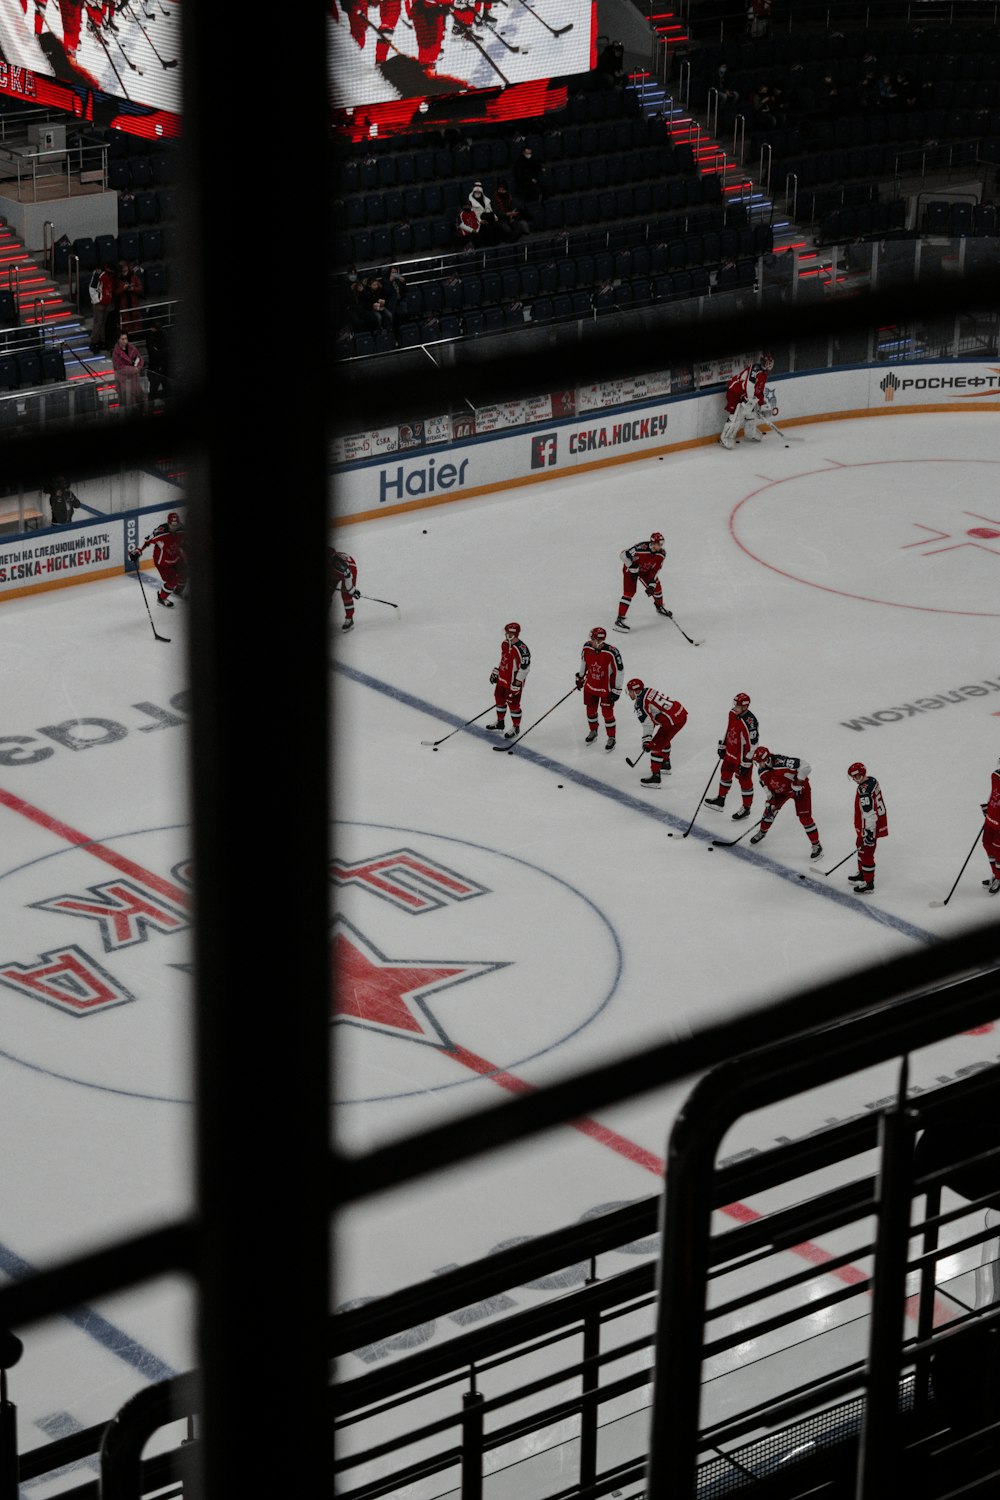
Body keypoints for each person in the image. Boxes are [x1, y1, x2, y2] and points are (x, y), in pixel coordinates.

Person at [749, 748, 823, 858]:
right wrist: (770, 802)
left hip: (800, 789)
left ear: (767, 759)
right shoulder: (762, 772)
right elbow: (767, 789)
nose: (758, 765)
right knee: (769, 812)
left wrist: (798, 783)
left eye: (759, 762)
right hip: (780, 792)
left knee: (805, 818)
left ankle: (816, 845)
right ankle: (762, 832)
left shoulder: (781, 762)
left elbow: (805, 767)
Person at [704, 692, 759, 819]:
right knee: (725, 774)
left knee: (745, 782)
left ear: (745, 707)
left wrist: (747, 761)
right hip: (730, 753)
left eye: (738, 706)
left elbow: (754, 744)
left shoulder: (750, 722)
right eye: (734, 704)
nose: (734, 708)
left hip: (742, 758)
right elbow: (729, 730)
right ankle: (720, 800)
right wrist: (723, 745)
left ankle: (746, 808)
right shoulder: (733, 713)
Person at [627, 678, 687, 787]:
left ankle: (655, 778)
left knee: (655, 746)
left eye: (630, 691)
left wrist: (647, 741)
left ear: (636, 691)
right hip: (680, 713)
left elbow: (648, 724)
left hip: (672, 721)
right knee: (663, 737)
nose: (629, 694)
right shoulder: (648, 690)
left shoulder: (639, 704)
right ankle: (665, 764)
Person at [576, 625, 623, 751]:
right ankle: (593, 731)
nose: (590, 640)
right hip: (591, 685)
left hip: (606, 688)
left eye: (592, 639)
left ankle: (611, 737)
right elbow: (584, 662)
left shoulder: (612, 652)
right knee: (590, 711)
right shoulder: (587, 647)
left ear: (599, 640)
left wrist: (617, 689)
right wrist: (580, 677)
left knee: (607, 713)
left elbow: (620, 670)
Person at [128, 510, 186, 608]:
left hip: (176, 557)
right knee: (173, 579)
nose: (174, 528)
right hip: (162, 562)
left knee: (185, 573)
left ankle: (177, 591)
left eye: (176, 526)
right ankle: (161, 599)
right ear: (168, 524)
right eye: (172, 526)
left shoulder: (182, 530)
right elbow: (146, 540)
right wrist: (137, 551)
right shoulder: (161, 532)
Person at [719, 353, 778, 449]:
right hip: (735, 392)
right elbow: (749, 385)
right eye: (764, 362)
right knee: (736, 416)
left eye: (768, 363)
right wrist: (751, 401)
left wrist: (760, 404)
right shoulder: (755, 368)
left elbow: (759, 390)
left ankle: (750, 433)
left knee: (753, 413)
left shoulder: (764, 375)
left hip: (745, 395)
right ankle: (724, 437)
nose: (765, 365)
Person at [614, 531, 669, 632]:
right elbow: (623, 555)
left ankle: (659, 607)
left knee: (657, 587)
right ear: (652, 543)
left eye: (662, 544)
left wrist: (651, 585)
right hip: (630, 571)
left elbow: (655, 570)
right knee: (629, 593)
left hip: (645, 571)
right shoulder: (640, 548)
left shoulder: (661, 554)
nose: (660, 546)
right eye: (658, 544)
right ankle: (619, 620)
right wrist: (632, 567)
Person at [847, 762, 888, 894]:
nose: (853, 779)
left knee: (867, 853)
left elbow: (869, 813)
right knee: (859, 845)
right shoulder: (872, 781)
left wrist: (870, 832)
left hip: (869, 826)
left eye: (855, 776)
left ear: (860, 775)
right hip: (871, 824)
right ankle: (862, 874)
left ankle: (869, 883)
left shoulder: (864, 790)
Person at [490, 621, 530, 740]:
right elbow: (504, 659)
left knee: (513, 704)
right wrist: (497, 671)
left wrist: (517, 684)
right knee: (499, 698)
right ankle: (500, 722)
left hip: (513, 682)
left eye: (507, 632)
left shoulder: (522, 650)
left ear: (512, 634)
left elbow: (525, 668)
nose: (505, 634)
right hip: (503, 678)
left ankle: (516, 727)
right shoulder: (505, 644)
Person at [112, 330, 145, 411]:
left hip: (135, 380)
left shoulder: (132, 347)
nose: (125, 341)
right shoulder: (116, 353)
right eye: (122, 339)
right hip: (124, 382)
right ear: (118, 340)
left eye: (126, 338)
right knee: (128, 404)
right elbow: (119, 368)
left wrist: (138, 368)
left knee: (140, 401)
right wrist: (135, 369)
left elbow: (140, 359)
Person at [981, 755, 1000, 894]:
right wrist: (988, 807)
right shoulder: (995, 775)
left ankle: (999, 878)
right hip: (991, 818)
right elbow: (993, 793)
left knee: (998, 849)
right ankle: (995, 874)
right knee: (987, 844)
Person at [329, 548, 360, 631]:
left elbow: (348, 581)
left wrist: (352, 591)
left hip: (349, 569)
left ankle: (349, 620)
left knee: (346, 595)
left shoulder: (341, 566)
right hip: (332, 572)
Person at [89, 260, 115, 353]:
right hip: (99, 303)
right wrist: (96, 301)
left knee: (103, 323)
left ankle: (102, 341)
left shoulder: (110, 274)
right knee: (98, 323)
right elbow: (92, 288)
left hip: (107, 301)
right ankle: (94, 342)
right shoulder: (98, 273)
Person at [145, 318, 171, 405]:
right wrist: (163, 350)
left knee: (165, 390)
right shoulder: (150, 337)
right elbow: (153, 353)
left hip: (163, 368)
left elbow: (168, 349)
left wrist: (159, 350)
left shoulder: (164, 334)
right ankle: (151, 408)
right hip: (155, 368)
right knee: (153, 391)